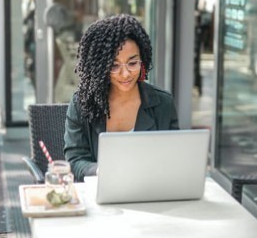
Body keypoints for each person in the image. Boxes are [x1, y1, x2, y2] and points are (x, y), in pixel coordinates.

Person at [64, 14, 180, 181]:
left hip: (151, 191)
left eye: (132, 63)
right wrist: (101, 171)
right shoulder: (81, 104)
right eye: (114, 65)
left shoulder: (163, 104)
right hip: (100, 193)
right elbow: (75, 161)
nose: (125, 74)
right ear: (100, 67)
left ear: (143, 60)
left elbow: (174, 158)